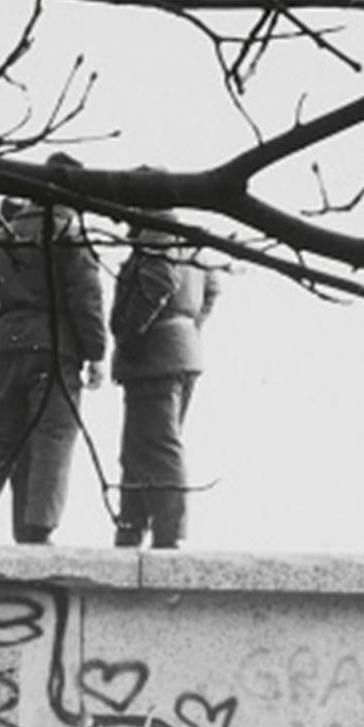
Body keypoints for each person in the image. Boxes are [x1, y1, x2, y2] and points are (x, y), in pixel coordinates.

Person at [0, 173, 104, 546]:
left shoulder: (1, 236)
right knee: (53, 437)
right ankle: (38, 528)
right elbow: (87, 299)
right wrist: (96, 353)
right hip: (54, 349)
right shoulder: (68, 234)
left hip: (3, 348)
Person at [108, 212, 218, 548]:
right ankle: (133, 530)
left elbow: (158, 281)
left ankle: (167, 534)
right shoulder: (189, 241)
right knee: (141, 448)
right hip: (178, 353)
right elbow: (211, 288)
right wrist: (188, 327)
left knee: (154, 448)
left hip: (153, 357)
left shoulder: (157, 237)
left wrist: (130, 332)